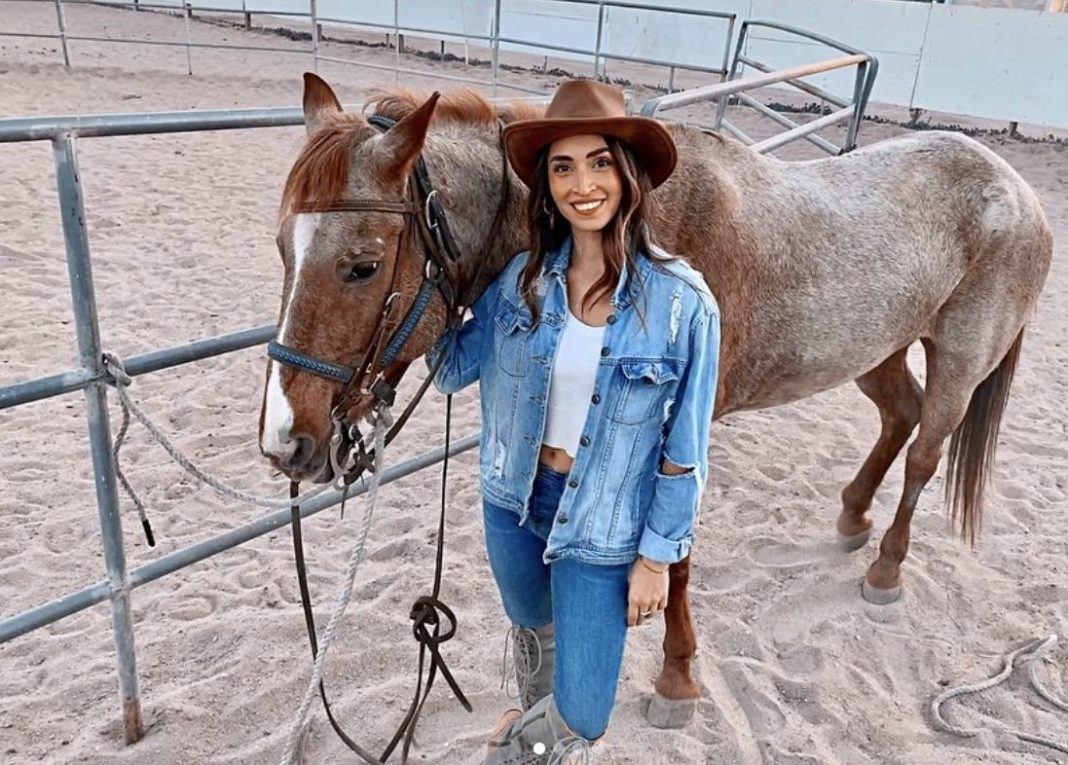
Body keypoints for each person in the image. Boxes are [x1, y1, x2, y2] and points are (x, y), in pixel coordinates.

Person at [427, 78, 720, 763]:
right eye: (562, 167)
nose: (581, 185)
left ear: (628, 175)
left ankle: (517, 749)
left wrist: (657, 558)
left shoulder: (683, 305)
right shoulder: (519, 281)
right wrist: (429, 275)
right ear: (547, 185)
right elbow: (450, 369)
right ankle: (534, 732)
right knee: (534, 636)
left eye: (599, 163)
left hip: (602, 525)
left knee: (584, 714)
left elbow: (685, 451)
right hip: (511, 500)